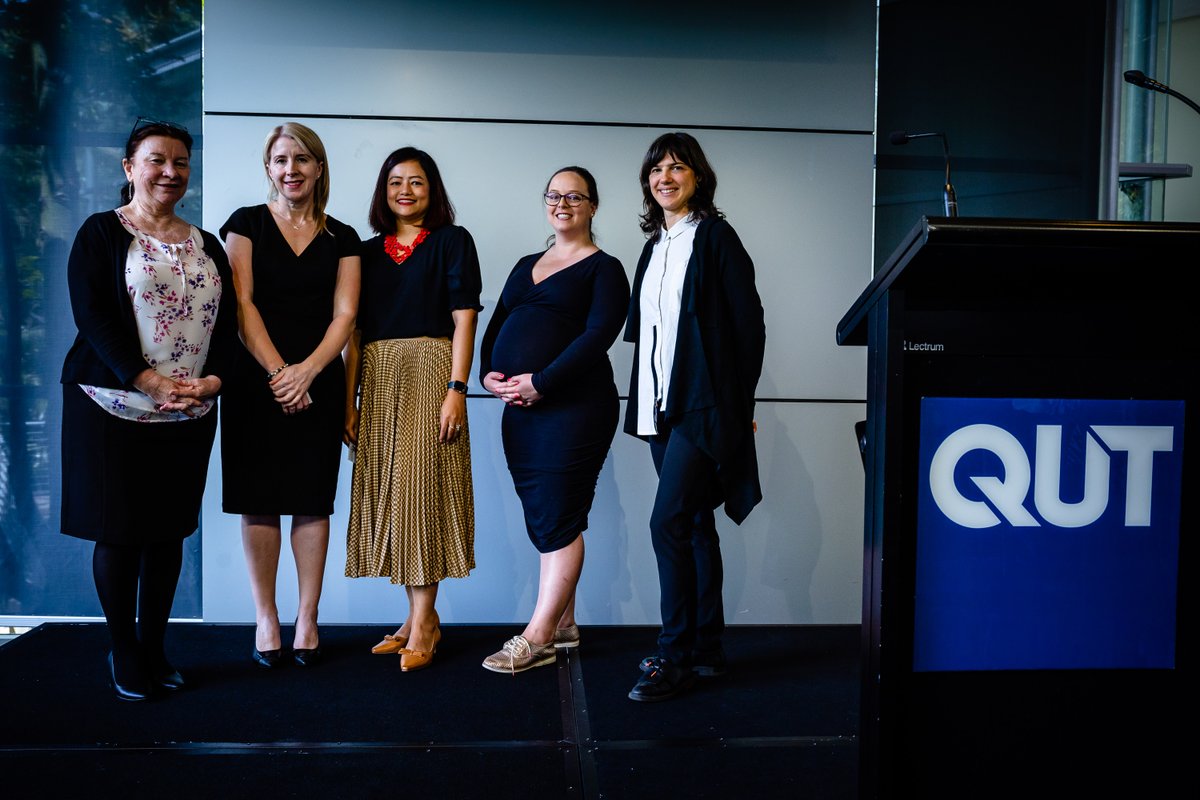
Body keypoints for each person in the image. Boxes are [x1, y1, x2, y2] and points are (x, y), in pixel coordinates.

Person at [60, 117, 237, 701]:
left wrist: (214, 381)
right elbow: (93, 317)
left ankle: (156, 646)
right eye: (157, 159)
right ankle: (124, 650)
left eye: (181, 162)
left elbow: (226, 326)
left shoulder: (207, 243)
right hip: (111, 404)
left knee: (168, 535)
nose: (170, 171)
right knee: (120, 532)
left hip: (187, 412)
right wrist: (145, 380)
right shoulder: (101, 233)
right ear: (129, 167)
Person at [623, 132, 766, 702]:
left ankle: (674, 654)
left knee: (669, 524)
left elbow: (749, 327)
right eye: (656, 169)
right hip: (659, 404)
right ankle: (707, 648)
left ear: (698, 178)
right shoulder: (654, 245)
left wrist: (739, 406)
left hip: (702, 405)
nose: (665, 177)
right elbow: (651, 335)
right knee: (696, 525)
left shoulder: (716, 238)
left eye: (677, 168)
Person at [219, 122, 361, 669]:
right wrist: (282, 373)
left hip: (318, 379)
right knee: (258, 499)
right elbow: (242, 306)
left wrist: (307, 373)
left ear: (319, 167)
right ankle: (265, 616)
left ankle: (307, 616)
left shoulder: (342, 237)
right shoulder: (246, 224)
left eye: (302, 159)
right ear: (268, 167)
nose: (291, 169)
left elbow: (346, 315)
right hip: (257, 380)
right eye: (281, 159)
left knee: (310, 499)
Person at [478, 166, 630, 674]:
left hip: (575, 407)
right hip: (520, 408)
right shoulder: (527, 263)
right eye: (553, 195)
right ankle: (563, 624)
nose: (562, 204)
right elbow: (497, 322)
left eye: (574, 196)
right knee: (543, 511)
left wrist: (541, 381)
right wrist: (489, 375)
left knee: (559, 511)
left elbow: (598, 336)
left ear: (592, 205)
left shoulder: (604, 268)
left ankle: (538, 636)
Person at [344, 146, 481, 672]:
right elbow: (353, 332)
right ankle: (414, 617)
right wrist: (348, 401)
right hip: (377, 376)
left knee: (420, 490)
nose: (406, 190)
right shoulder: (364, 250)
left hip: (431, 369)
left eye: (417, 182)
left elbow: (464, 319)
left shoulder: (452, 241)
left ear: (433, 190)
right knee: (393, 493)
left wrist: (457, 388)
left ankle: (424, 621)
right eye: (396, 181)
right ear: (383, 191)